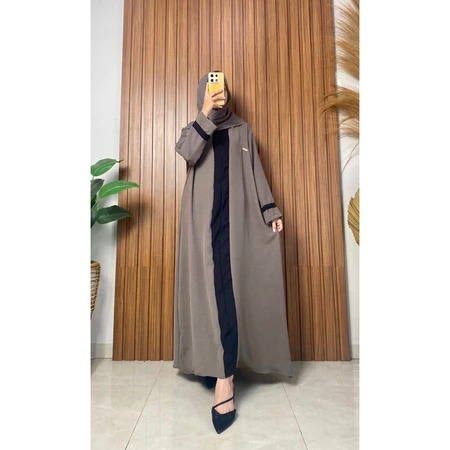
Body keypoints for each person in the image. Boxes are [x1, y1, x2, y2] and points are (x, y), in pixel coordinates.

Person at [173, 72, 292, 434]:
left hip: (236, 224)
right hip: (201, 227)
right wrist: (205, 114)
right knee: (208, 297)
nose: (219, 94)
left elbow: (256, 172)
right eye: (212, 89)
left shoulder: (242, 130)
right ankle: (217, 367)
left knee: (228, 295)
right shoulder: (194, 129)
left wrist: (270, 211)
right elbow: (188, 154)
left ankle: (225, 378)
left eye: (222, 88)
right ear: (203, 93)